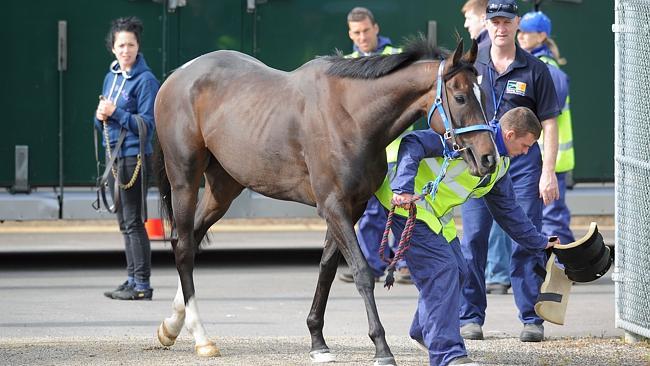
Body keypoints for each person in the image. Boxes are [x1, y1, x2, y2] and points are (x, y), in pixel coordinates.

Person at [375, 107, 558, 366]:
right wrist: (403, 188)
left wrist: (540, 243)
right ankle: (447, 354)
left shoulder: (499, 163)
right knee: (443, 271)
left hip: (435, 216)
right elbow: (414, 141)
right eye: (526, 145)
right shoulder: (467, 138)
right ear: (510, 133)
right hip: (409, 207)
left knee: (460, 270)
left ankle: (424, 329)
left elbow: (509, 212)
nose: (527, 152)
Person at [459, 0, 561, 343]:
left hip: (521, 168)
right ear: (487, 25)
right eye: (495, 21)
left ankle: (532, 318)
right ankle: (470, 316)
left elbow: (549, 122)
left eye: (507, 21)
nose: (501, 27)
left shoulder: (535, 69)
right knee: (473, 240)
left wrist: (548, 171)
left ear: (518, 24)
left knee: (526, 237)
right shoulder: (472, 65)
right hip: (478, 167)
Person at [337, 7, 412, 284]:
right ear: (350, 33)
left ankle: (405, 264)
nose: (362, 36)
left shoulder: (396, 56)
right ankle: (374, 265)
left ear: (376, 28)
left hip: (396, 150)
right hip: (364, 155)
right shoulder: (348, 63)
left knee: (401, 207)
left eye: (366, 30)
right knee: (368, 213)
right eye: (356, 32)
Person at [95, 16, 159, 300]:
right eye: (121, 45)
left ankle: (142, 284)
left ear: (137, 47)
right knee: (124, 222)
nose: (126, 50)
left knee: (133, 221)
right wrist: (99, 118)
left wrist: (115, 113)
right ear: (113, 48)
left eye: (130, 45)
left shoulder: (146, 81)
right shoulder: (111, 77)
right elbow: (104, 120)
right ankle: (132, 279)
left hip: (134, 158)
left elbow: (147, 124)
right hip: (115, 158)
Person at [517, 10, 576, 245]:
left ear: (541, 35)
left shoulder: (548, 70)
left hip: (552, 159)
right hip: (538, 157)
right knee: (543, 218)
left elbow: (549, 114)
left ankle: (571, 266)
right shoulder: (534, 65)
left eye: (527, 32)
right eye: (519, 31)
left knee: (553, 218)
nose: (520, 36)